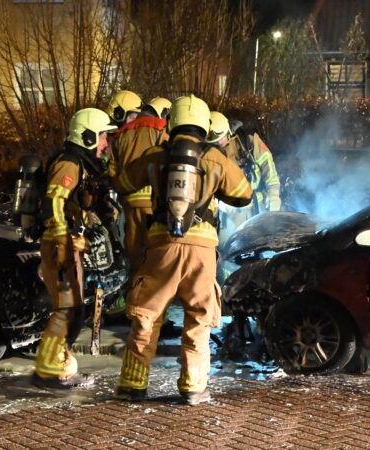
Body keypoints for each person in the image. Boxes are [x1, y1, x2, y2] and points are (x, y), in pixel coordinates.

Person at [114, 94, 252, 404]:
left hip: (161, 245)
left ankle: (133, 384)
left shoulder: (154, 156)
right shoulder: (215, 158)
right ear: (204, 125)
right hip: (202, 249)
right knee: (199, 318)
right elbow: (244, 194)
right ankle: (192, 386)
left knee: (148, 317)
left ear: (171, 123)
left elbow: (122, 183)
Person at [32, 108, 117, 389]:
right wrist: (64, 240)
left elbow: (74, 206)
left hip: (66, 246)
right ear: (89, 135)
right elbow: (53, 202)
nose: (106, 144)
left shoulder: (80, 164)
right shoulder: (69, 163)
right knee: (67, 309)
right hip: (61, 247)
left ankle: (57, 365)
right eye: (104, 137)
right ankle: (48, 369)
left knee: (73, 310)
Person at [109, 96, 170, 270]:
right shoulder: (161, 129)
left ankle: (134, 292)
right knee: (157, 258)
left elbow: (113, 173)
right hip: (154, 204)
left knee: (135, 258)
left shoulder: (120, 134)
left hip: (129, 205)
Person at [210, 114, 281, 239]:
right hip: (228, 212)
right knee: (229, 248)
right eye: (214, 140)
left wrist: (274, 195)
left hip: (257, 207)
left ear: (228, 131)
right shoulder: (209, 151)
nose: (218, 142)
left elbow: (269, 169)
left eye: (220, 138)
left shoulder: (247, 141)